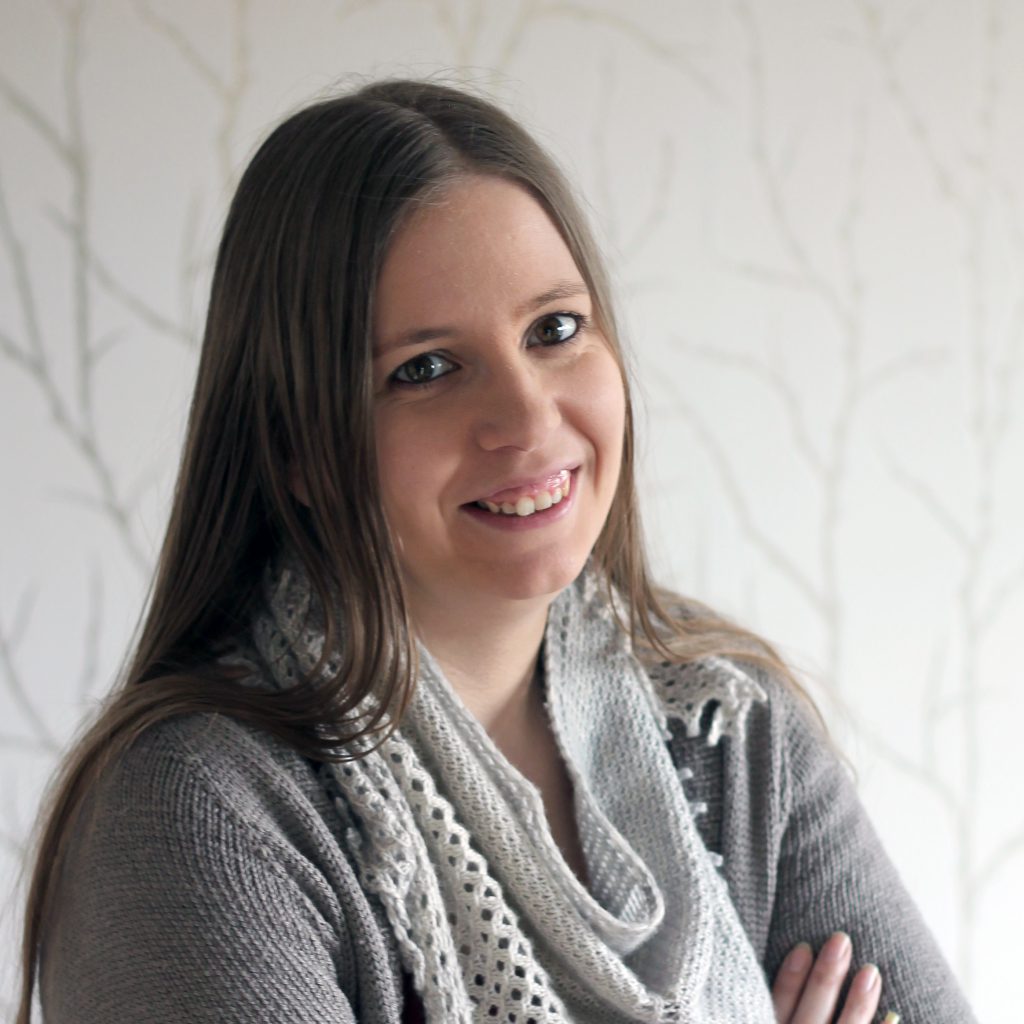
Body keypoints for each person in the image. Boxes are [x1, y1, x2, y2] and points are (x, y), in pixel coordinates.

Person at [16, 79, 975, 1024]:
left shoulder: (734, 732)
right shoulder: (199, 814)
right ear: (298, 446)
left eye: (554, 330)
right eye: (424, 369)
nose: (525, 416)